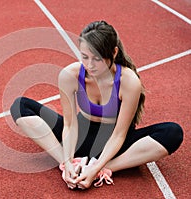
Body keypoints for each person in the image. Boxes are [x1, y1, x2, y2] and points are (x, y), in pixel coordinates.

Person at [9, 20, 183, 190]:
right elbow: (70, 125)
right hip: (81, 138)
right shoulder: (70, 75)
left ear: (113, 53)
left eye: (97, 59)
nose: (90, 65)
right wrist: (67, 161)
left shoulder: (128, 82)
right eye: (85, 57)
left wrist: (95, 168)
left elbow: (119, 135)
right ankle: (67, 164)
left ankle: (104, 167)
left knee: (172, 132)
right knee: (20, 106)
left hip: (115, 145)